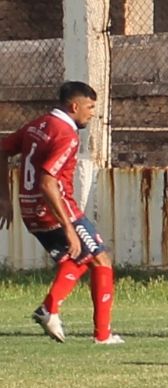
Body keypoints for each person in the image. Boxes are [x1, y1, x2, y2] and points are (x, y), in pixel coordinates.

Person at [0, 81, 123, 344]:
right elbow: (48, 182)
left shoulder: (38, 124)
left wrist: (4, 197)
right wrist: (68, 227)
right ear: (74, 106)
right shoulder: (66, 134)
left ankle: (90, 328)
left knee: (80, 259)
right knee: (100, 260)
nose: (93, 113)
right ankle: (66, 317)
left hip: (30, 209)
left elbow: (3, 149)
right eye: (90, 107)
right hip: (56, 207)